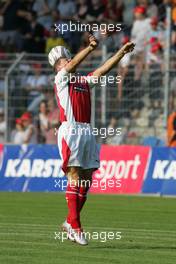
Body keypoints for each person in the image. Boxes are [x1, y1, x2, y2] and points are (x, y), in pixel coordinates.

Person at [48, 35, 134, 245]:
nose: (67, 61)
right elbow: (74, 64)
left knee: (86, 179)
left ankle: (69, 222)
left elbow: (102, 70)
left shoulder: (83, 82)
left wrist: (121, 54)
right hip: (71, 130)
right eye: (63, 60)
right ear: (57, 66)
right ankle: (76, 226)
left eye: (68, 58)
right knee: (74, 174)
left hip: (87, 131)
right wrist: (89, 48)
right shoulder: (60, 79)